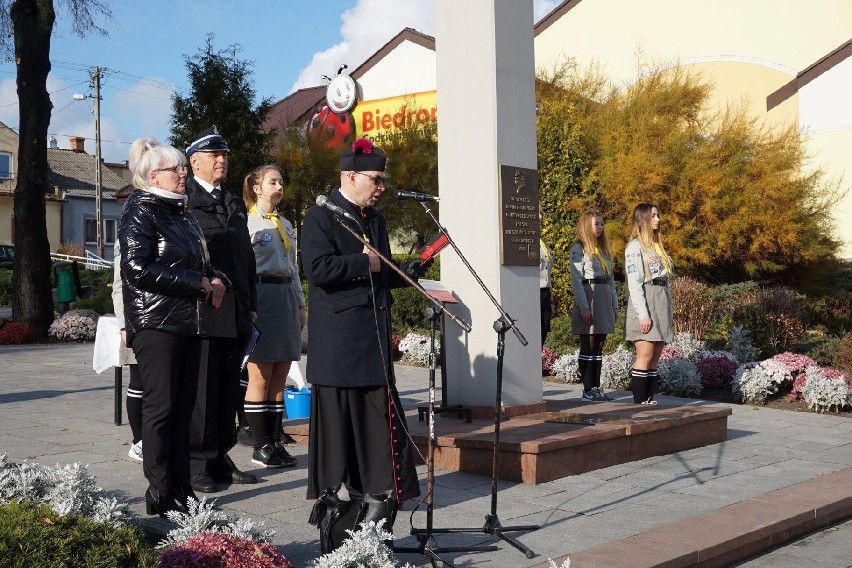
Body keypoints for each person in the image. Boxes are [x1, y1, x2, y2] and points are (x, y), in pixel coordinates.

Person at [301, 138, 424, 537]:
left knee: (379, 441)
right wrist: (365, 262)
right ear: (351, 176)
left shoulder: (375, 219)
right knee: (342, 442)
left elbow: (381, 269)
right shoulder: (319, 218)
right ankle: (340, 525)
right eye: (376, 179)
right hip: (339, 352)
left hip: (372, 349)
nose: (381, 186)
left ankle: (377, 506)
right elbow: (318, 269)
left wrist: (411, 268)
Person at [119, 138, 226, 517]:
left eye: (184, 168)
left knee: (184, 411)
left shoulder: (180, 213)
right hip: (156, 323)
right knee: (161, 410)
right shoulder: (140, 211)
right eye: (175, 170)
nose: (184, 174)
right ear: (152, 177)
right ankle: (161, 493)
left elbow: (197, 261)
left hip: (186, 322)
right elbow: (136, 268)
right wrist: (195, 283)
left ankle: (183, 491)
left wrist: (216, 278)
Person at [184, 126, 258, 493]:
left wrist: (252, 306)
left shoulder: (231, 201)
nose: (222, 159)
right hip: (206, 308)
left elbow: (246, 259)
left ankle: (220, 455)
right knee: (204, 389)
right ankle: (198, 461)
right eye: (214, 155)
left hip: (236, 309)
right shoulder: (185, 200)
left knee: (229, 388)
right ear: (194, 161)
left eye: (224, 154)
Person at [241, 164, 304, 468]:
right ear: (256, 188)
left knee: (281, 372)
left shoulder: (287, 223)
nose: (279, 186)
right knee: (260, 374)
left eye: (281, 181)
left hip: (285, 298)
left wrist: (300, 303)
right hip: (262, 297)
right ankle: (260, 443)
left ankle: (276, 441)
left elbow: (293, 269)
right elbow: (243, 270)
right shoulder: (248, 224)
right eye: (272, 182)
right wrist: (247, 306)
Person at [624, 203, 674, 404]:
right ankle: (639, 402)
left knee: (655, 357)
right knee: (645, 354)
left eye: (658, 215)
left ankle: (649, 399)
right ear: (642, 219)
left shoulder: (656, 246)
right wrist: (643, 314)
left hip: (661, 299)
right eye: (653, 216)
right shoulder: (635, 247)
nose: (658, 219)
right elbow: (635, 284)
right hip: (646, 299)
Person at [570, 211, 619, 401]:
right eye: (596, 224)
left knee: (599, 344)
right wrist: (583, 306)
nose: (600, 227)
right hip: (589, 294)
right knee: (588, 343)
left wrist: (614, 304)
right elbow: (576, 280)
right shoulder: (579, 248)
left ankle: (597, 387)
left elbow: (611, 279)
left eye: (601, 224)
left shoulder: (604, 249)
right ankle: (587, 388)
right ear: (586, 226)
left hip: (604, 294)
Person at [540, 218, 556, 347]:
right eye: (536, 212)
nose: (540, 216)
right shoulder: (525, 241)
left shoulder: (542, 242)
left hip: (545, 293)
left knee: (543, 332)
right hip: (533, 293)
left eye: (541, 213)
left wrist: (551, 299)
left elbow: (547, 273)